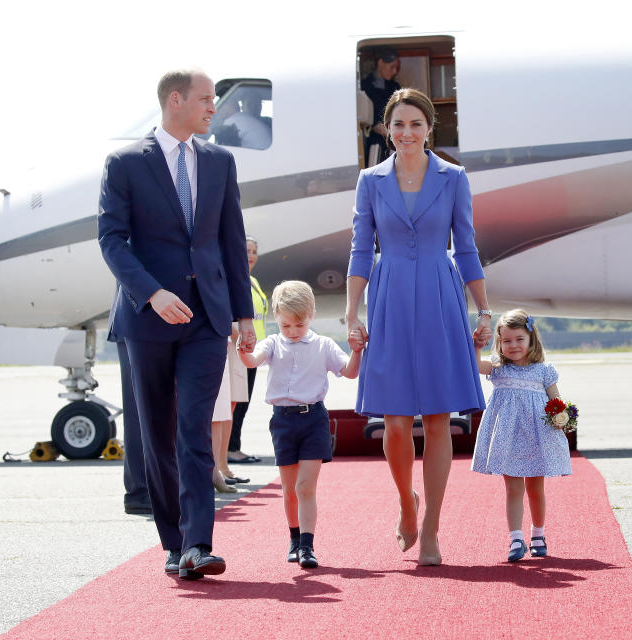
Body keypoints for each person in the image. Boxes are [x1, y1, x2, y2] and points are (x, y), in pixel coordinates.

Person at [98, 68, 256, 581]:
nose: (214, 107)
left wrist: (244, 313)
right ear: (176, 100)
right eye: (207, 99)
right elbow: (112, 240)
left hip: (206, 318)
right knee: (157, 433)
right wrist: (152, 292)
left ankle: (198, 544)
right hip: (148, 319)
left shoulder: (219, 161)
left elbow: (231, 240)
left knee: (193, 428)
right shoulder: (124, 162)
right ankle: (173, 542)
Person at [345, 88, 492, 566]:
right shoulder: (371, 180)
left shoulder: (453, 179)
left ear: (430, 128)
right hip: (387, 298)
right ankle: (407, 504)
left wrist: (483, 310)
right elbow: (361, 249)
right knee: (393, 420)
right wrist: (352, 312)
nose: (406, 133)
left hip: (439, 295)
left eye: (415, 124)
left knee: (436, 419)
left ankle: (431, 528)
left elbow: (466, 246)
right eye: (398, 125)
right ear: (387, 130)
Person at [239, 281, 363, 569]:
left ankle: (307, 545)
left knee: (306, 486)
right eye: (286, 326)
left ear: (311, 316)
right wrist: (242, 350)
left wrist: (357, 351)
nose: (293, 332)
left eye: (299, 324)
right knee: (289, 488)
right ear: (276, 319)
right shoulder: (272, 343)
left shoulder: (323, 345)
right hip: (282, 420)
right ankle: (294, 538)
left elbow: (349, 372)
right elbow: (252, 360)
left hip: (313, 419)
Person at [470, 309, 572, 562]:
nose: (513, 345)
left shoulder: (544, 370)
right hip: (509, 439)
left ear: (531, 340)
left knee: (536, 489)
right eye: (507, 341)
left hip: (538, 437)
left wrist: (562, 417)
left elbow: (556, 400)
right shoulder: (497, 367)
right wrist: (477, 346)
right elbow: (473, 365)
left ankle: (538, 534)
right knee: (513, 489)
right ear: (500, 343)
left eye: (519, 339)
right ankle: (515, 538)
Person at [108, 285, 150, 514]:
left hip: (161, 322)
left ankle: (149, 489)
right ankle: (139, 490)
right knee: (138, 413)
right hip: (138, 321)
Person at [228, 236, 269, 464]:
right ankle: (231, 449)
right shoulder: (234, 280)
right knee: (236, 402)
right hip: (240, 349)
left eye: (254, 251)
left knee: (244, 402)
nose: (250, 255)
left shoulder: (253, 281)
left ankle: (234, 446)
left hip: (254, 351)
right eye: (246, 251)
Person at [210, 325, 250, 494]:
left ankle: (217, 469)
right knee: (216, 413)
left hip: (223, 341)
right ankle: (214, 469)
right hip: (214, 337)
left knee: (222, 412)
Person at [360, 49, 401, 165]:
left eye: (396, 68)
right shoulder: (364, 86)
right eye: (391, 67)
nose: (394, 72)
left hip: (394, 138)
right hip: (375, 143)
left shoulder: (395, 87)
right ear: (380, 62)